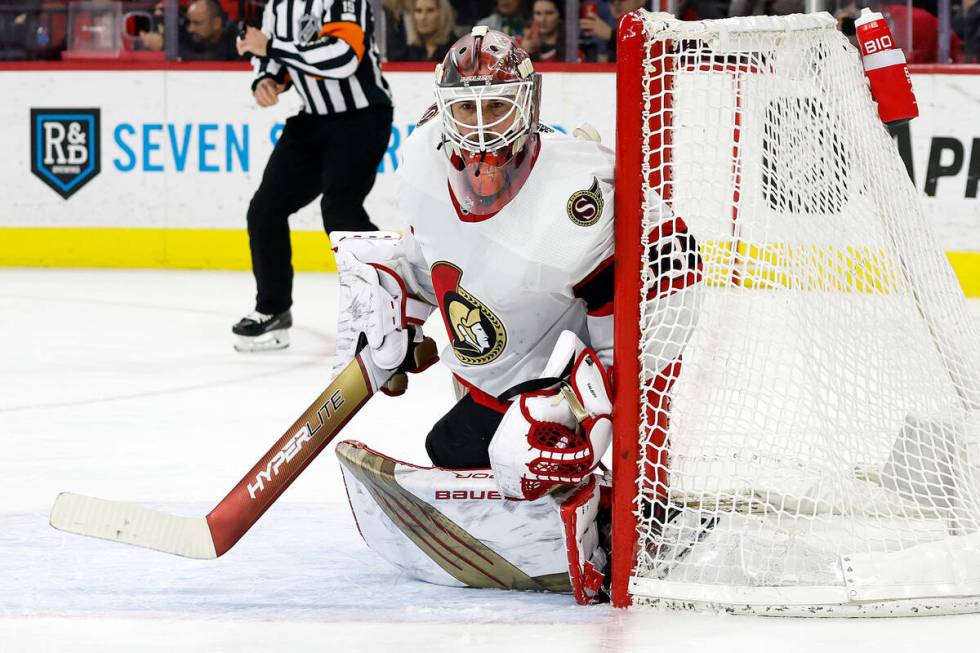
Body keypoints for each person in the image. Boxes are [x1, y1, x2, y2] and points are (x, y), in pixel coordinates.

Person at [329, 27, 702, 603]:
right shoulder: (422, 161)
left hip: (567, 372)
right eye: (466, 108)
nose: (481, 126)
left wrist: (589, 410)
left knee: (524, 453)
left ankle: (635, 501)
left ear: (528, 103)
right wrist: (399, 298)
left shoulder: (581, 191)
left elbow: (674, 271)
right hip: (499, 372)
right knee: (450, 450)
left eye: (497, 106)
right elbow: (441, 258)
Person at [232, 0, 393, 351]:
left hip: (362, 116)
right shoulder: (277, 3)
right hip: (314, 119)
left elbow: (343, 56)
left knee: (340, 210)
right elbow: (271, 55)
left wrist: (270, 48)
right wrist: (266, 78)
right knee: (265, 209)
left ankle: (386, 307)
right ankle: (273, 310)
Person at [390, 0, 456, 61]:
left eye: (430, 10)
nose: (423, 17)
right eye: (418, 11)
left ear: (443, 15)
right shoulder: (406, 54)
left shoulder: (457, 51)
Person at [579, 0, 645, 62]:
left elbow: (642, 54)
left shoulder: (650, 27)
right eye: (612, 0)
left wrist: (611, 35)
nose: (616, 3)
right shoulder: (600, 23)